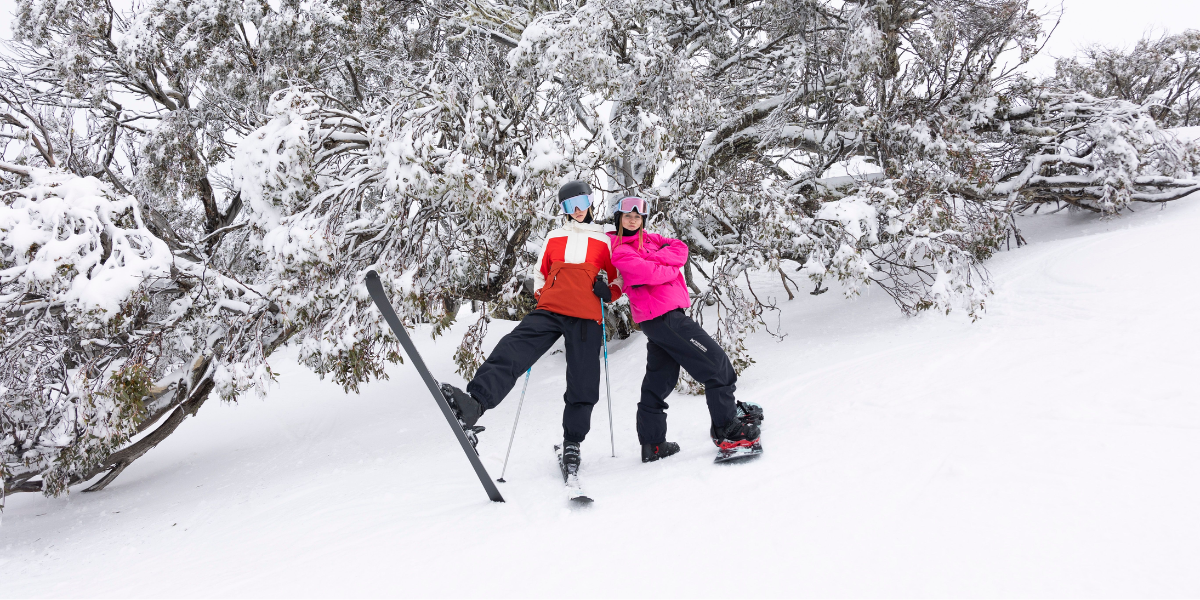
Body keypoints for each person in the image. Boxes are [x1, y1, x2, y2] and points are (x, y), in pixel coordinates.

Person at [440, 180, 622, 478]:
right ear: (562, 209)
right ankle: (474, 405)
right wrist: (548, 294)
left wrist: (608, 292)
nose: (576, 210)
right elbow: (540, 274)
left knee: (584, 380)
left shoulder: (605, 240)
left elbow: (619, 280)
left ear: (591, 201)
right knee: (513, 350)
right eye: (568, 206)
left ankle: (572, 442)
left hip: (587, 315)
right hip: (550, 310)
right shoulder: (554, 236)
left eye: (581, 203)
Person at [606, 196, 762, 463]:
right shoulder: (620, 249)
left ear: (642, 220)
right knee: (717, 365)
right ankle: (728, 431)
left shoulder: (652, 240)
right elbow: (650, 273)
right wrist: (667, 268)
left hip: (661, 319)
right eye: (626, 216)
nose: (632, 220)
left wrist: (659, 262)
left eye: (637, 217)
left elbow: (680, 248)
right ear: (618, 219)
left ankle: (653, 444)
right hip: (664, 317)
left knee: (659, 380)